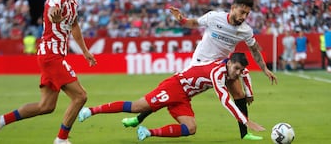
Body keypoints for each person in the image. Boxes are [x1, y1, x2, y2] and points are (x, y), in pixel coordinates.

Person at [79, 0, 277, 140]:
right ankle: (132, 117)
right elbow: (192, 23)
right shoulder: (214, 17)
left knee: (237, 94)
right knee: (170, 96)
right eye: (242, 12)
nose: (244, 17)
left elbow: (254, 50)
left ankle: (244, 134)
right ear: (233, 8)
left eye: (247, 14)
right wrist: (181, 19)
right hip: (201, 63)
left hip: (222, 64)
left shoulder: (245, 31)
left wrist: (265, 69)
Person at [0, 0, 97, 144]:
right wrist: (54, 15)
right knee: (80, 96)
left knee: (46, 106)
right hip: (50, 56)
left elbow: (74, 25)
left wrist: (85, 52)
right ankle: (61, 140)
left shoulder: (73, 2)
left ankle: (0, 120)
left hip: (53, 56)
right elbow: (53, 9)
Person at [78, 53, 265, 141]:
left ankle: (148, 132)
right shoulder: (217, 73)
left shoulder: (232, 68)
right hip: (174, 87)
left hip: (184, 97)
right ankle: (90, 111)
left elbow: (246, 73)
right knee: (137, 107)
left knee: (191, 128)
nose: (238, 73)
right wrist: (245, 120)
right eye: (236, 69)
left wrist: (249, 93)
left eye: (239, 70)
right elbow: (225, 100)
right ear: (229, 63)